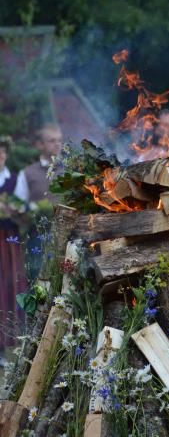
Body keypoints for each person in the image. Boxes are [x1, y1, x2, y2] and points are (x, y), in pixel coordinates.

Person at [0, 137, 26, 366]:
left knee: (9, 286)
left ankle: (8, 342)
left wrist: (13, 210)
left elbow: (23, 209)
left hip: (7, 240)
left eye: (1, 153)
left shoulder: (15, 180)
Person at [15, 123, 63, 204]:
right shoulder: (27, 174)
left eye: (59, 140)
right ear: (40, 145)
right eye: (52, 141)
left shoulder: (71, 171)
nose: (57, 144)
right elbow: (18, 206)